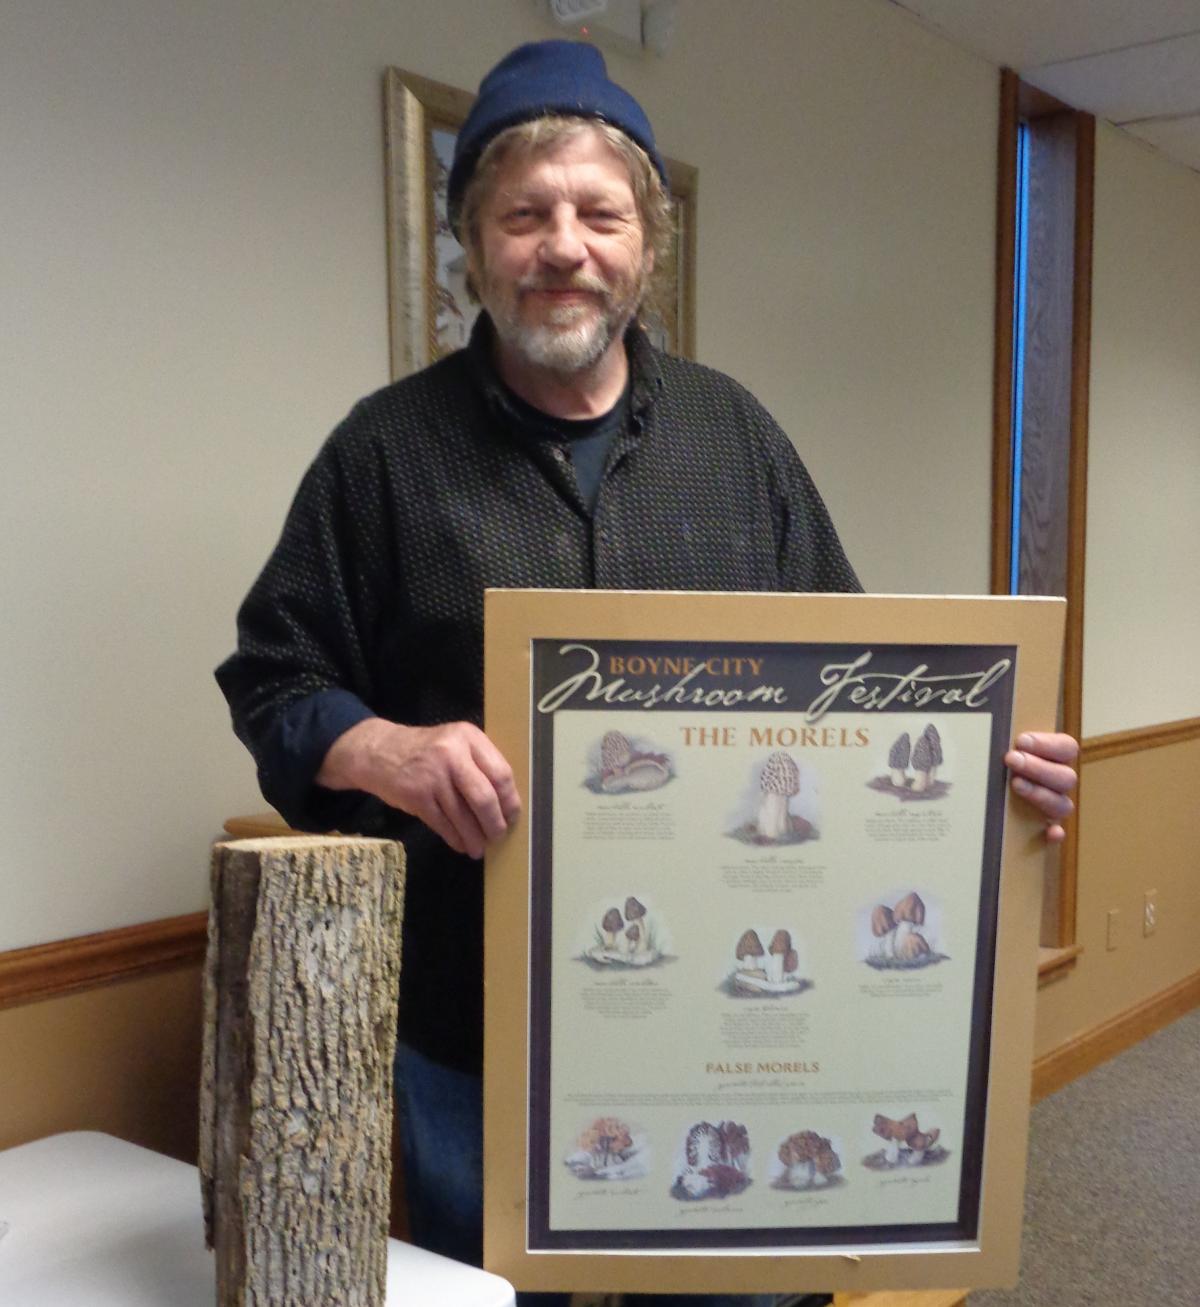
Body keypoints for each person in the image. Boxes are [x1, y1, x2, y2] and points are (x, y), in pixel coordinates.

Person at [216, 40, 1077, 1307]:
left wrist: (991, 771)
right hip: (479, 1021)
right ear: (474, 244)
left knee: (731, 1295)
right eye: (524, 212)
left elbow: (860, 685)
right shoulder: (384, 455)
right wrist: (379, 747)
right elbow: (272, 677)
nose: (563, 243)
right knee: (491, 1294)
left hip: (727, 1022)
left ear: (644, 247)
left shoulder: (739, 437)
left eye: (598, 211)